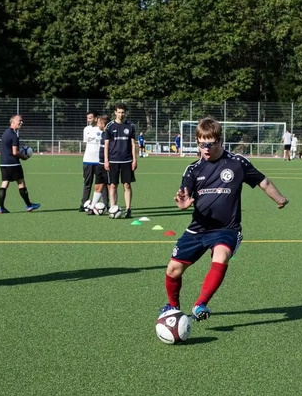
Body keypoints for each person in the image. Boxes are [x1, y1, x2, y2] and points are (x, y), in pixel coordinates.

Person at [162, 117, 289, 321]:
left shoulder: (237, 163)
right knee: (173, 269)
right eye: (201, 144)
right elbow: (184, 195)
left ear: (220, 141)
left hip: (227, 229)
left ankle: (200, 304)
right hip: (198, 228)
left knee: (221, 256)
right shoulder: (193, 169)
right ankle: (173, 307)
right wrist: (183, 204)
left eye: (209, 144)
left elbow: (262, 181)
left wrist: (280, 198)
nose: (205, 149)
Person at [0, 115, 40, 214]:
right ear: (12, 122)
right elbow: (15, 152)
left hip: (3, 163)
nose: (21, 122)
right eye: (19, 121)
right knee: (21, 183)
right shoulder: (14, 134)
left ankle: (1, 208)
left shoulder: (5, 133)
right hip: (13, 163)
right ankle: (29, 205)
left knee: (4, 183)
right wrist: (23, 157)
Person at [103, 103, 137, 218]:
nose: (121, 114)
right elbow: (106, 145)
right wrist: (106, 160)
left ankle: (128, 209)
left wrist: (134, 159)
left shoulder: (130, 126)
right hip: (113, 160)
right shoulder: (109, 126)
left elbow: (133, 144)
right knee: (113, 185)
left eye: (123, 112)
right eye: (119, 112)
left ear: (125, 113)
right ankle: (113, 208)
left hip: (127, 160)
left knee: (127, 185)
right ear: (115, 112)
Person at [82, 113, 106, 213]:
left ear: (96, 118)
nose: (89, 120)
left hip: (99, 161)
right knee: (87, 183)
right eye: (87, 118)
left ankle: (106, 204)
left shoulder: (102, 129)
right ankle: (83, 204)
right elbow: (86, 143)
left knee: (102, 184)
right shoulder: (86, 129)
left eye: (90, 118)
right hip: (87, 160)